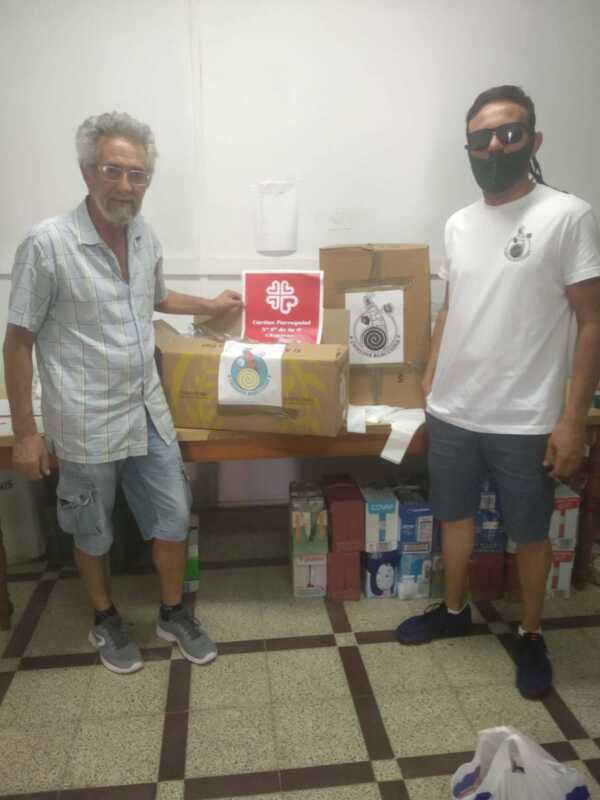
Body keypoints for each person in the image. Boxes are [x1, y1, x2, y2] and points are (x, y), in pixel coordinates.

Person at [3, 111, 243, 674]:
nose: (127, 187)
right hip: (84, 423)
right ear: (88, 171)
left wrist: (209, 306)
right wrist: (26, 433)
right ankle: (106, 619)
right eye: (115, 171)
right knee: (92, 528)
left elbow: (155, 296)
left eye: (138, 176)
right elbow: (17, 342)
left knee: (172, 514)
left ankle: (171, 612)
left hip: (147, 413)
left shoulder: (145, 236)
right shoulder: (47, 244)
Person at [396, 85, 600, 699]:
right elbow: (454, 303)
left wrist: (572, 421)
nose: (493, 147)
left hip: (526, 416)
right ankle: (454, 611)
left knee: (529, 532)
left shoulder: (567, 215)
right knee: (453, 517)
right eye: (481, 137)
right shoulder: (459, 223)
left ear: (532, 142)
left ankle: (532, 634)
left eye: (508, 134)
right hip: (456, 409)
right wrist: (432, 371)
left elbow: (591, 320)